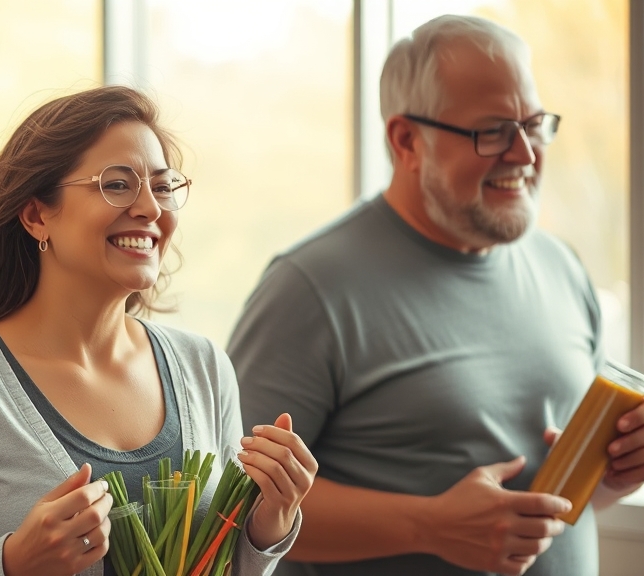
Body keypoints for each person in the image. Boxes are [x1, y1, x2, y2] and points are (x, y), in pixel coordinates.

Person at [228, 14, 644, 576]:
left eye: (534, 124)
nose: (525, 154)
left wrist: (614, 474)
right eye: (493, 131)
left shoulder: (561, 266)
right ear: (407, 140)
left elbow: (561, 505)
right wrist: (429, 525)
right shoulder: (308, 289)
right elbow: (235, 501)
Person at [0, 85, 318, 576]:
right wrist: (12, 564)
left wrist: (268, 524)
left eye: (162, 187)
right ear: (37, 215)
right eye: (117, 184)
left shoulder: (204, 368)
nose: (150, 208)